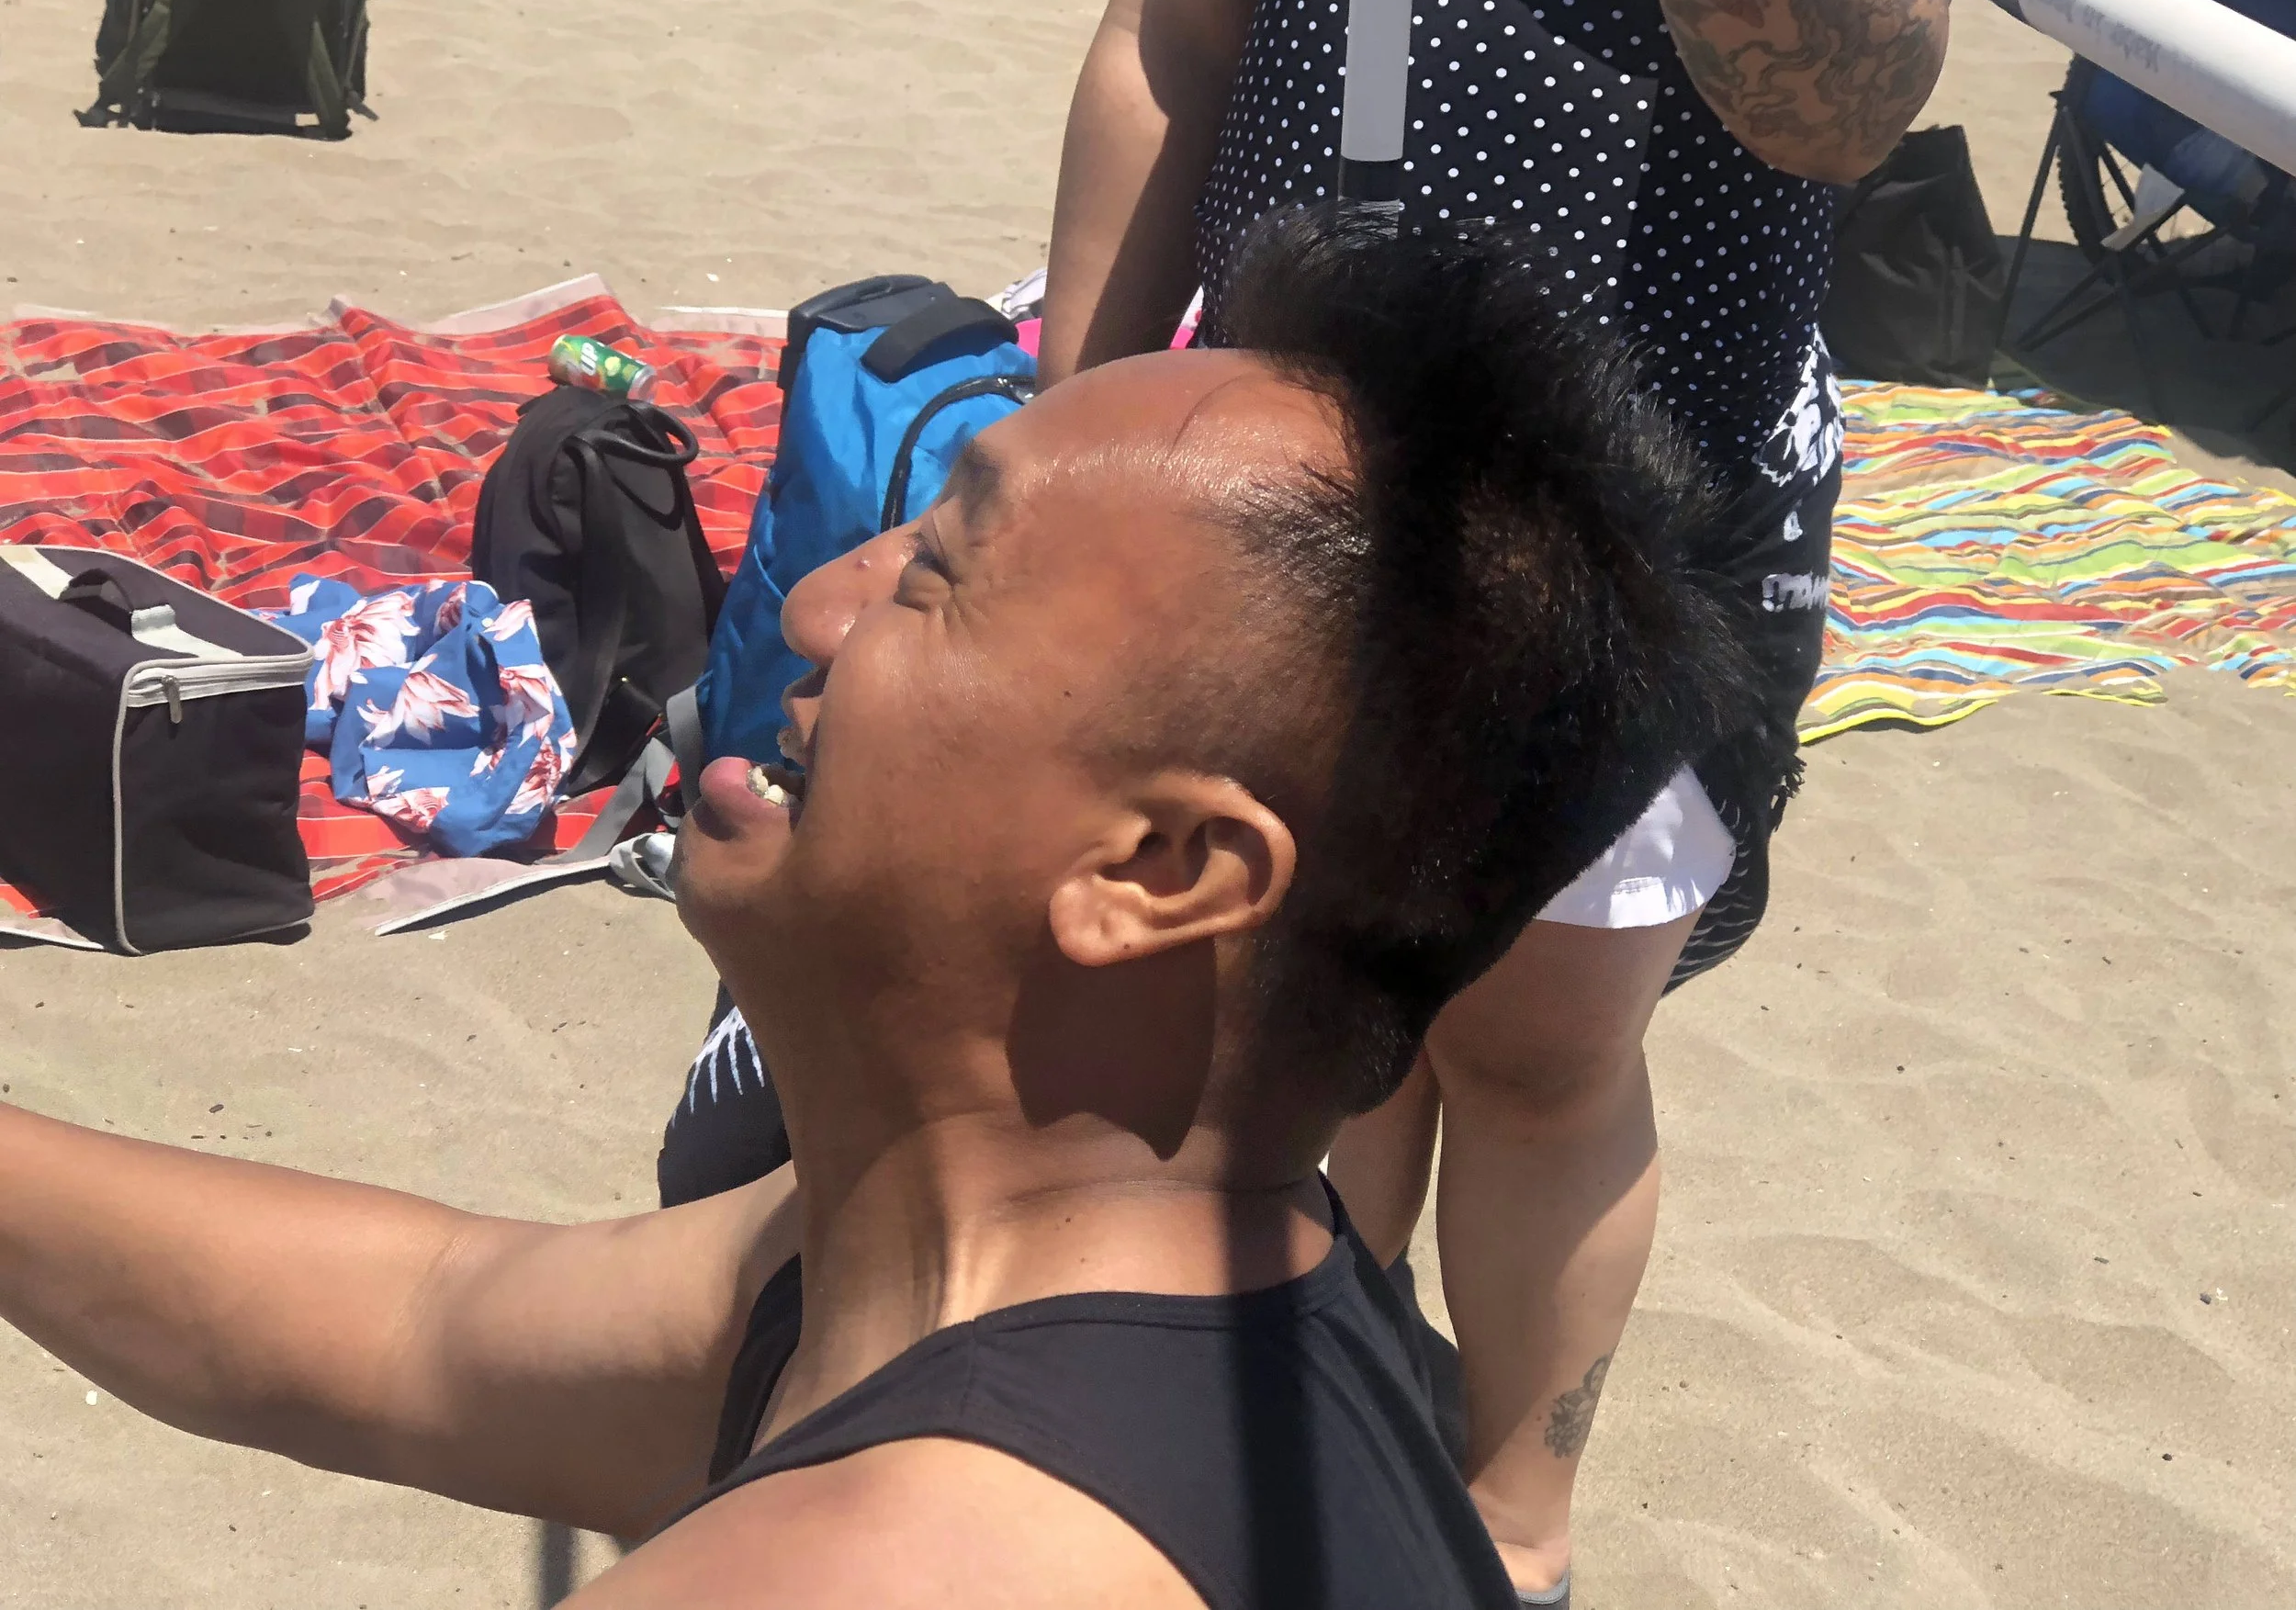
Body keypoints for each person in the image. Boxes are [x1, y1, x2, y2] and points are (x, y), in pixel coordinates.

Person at [0, 215, 1756, 1610]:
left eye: (936, 571)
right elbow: (430, 1323)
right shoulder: (1143, 1280)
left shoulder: (904, 1564)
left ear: (1161, 873)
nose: (815, 605)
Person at [1035, 0, 1954, 1600]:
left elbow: (1851, 102)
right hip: (1293, 461)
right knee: (1326, 976)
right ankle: (1344, 1349)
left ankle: (1515, 1526)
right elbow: (1170, 33)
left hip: (1630, 498)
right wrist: (1070, 418)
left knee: (1538, 1044)